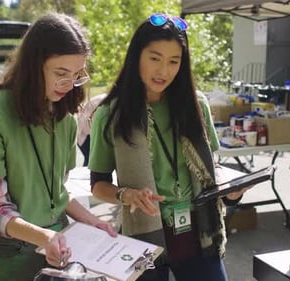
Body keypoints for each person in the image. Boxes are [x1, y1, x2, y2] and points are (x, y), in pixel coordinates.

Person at [88, 13, 249, 281]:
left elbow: (211, 165)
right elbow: (98, 184)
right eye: (155, 59)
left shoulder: (196, 104)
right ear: (136, 56)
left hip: (200, 233)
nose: (164, 71)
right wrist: (126, 195)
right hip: (144, 238)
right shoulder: (110, 113)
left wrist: (229, 189)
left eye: (174, 61)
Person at [0, 13, 117, 281]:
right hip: (11, 259)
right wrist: (44, 236)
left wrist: (90, 220)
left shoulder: (66, 117)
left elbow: (57, 193)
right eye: (60, 73)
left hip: (62, 248)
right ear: (33, 66)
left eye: (76, 75)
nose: (69, 86)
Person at [77, 93, 107, 166]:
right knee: (91, 160)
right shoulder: (100, 100)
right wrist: (76, 135)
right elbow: (83, 118)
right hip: (84, 135)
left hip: (92, 133)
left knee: (94, 160)